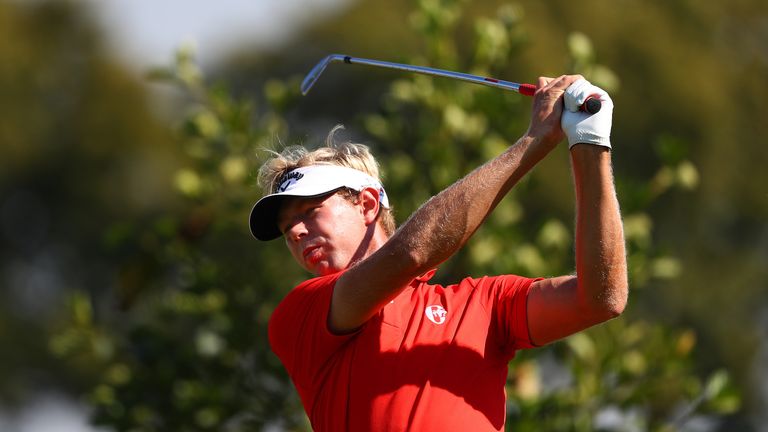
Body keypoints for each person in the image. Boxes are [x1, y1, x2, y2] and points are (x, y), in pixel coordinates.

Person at [249, 75, 628, 431]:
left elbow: (600, 299)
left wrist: (590, 143)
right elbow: (412, 253)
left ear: (366, 204)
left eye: (310, 211)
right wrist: (534, 141)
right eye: (286, 229)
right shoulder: (302, 314)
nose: (296, 232)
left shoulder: (483, 304)